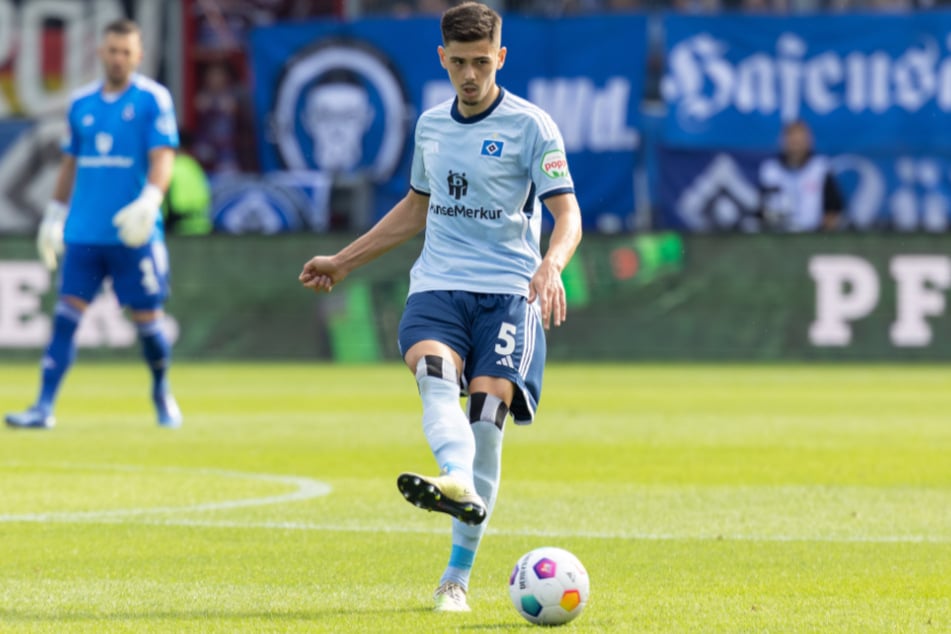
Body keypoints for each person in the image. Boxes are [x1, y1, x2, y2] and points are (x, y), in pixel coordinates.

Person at [299, 1, 582, 613]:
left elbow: (568, 213)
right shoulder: (430, 126)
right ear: (442, 59)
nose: (471, 76)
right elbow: (415, 208)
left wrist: (552, 263)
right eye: (459, 64)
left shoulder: (533, 127)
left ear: (500, 58)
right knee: (433, 375)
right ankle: (454, 478)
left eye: (482, 63)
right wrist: (343, 262)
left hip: (510, 294)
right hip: (438, 285)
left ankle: (456, 577)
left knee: (486, 419)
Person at [5, 19, 182, 430]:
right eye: (112, 50)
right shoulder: (81, 104)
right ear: (100, 53)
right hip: (85, 233)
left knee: (148, 323)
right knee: (66, 316)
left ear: (138, 56)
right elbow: (70, 163)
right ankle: (43, 407)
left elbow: (163, 158)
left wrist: (151, 198)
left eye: (126, 52)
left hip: (132, 234)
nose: (118, 58)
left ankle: (160, 389)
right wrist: (53, 214)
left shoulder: (153, 100)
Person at [758, 119, 845, 232]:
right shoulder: (770, 170)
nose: (796, 146)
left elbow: (834, 209)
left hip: (813, 234)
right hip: (777, 234)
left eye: (800, 141)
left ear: (809, 142)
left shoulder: (820, 168)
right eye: (792, 141)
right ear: (783, 141)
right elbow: (759, 209)